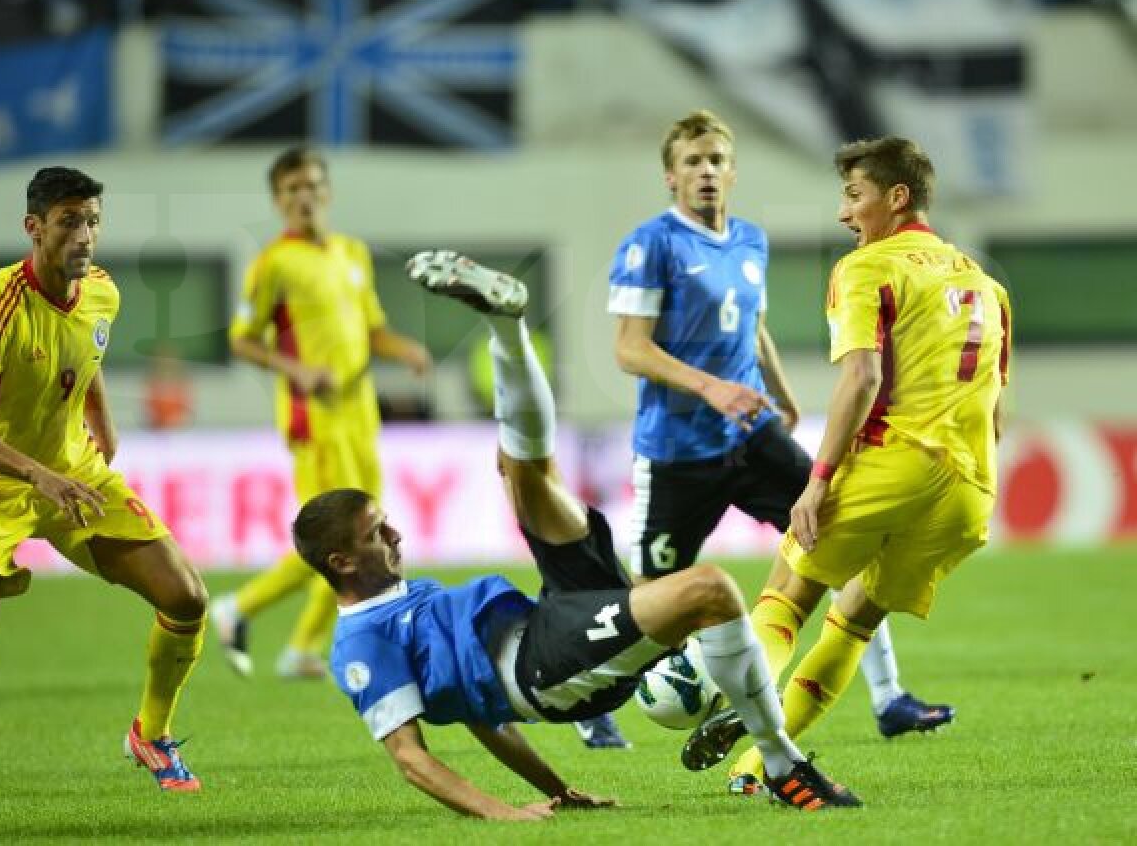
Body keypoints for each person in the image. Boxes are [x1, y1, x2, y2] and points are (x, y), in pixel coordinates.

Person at [291, 249, 862, 817]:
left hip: (546, 616)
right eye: (376, 533)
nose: (395, 533)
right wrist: (501, 811)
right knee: (709, 590)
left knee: (525, 474)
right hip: (544, 671)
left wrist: (556, 791)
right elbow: (410, 757)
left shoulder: (403, 601)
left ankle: (506, 324)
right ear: (341, 562)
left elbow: (481, 721)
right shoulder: (361, 646)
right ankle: (782, 763)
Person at [607, 110, 953, 770]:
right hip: (679, 451)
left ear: (732, 172)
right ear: (670, 176)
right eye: (692, 161)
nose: (706, 171)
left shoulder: (749, 242)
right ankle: (594, 709)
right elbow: (629, 350)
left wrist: (783, 394)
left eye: (716, 160)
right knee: (649, 597)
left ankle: (888, 698)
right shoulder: (650, 245)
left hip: (754, 435)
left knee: (839, 538)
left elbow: (754, 326)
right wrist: (713, 389)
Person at [682, 136, 1011, 793]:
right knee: (855, 623)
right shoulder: (987, 284)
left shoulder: (866, 268)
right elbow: (996, 408)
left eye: (854, 196)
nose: (844, 213)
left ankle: (737, 704)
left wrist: (820, 480)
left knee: (784, 595)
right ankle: (752, 772)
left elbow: (860, 379)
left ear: (897, 197)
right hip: (971, 489)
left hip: (895, 460)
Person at [0, 167, 208, 791]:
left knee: (187, 597)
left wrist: (99, 416)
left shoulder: (104, 291)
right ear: (34, 228)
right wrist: (38, 474)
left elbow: (84, 353)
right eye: (69, 222)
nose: (84, 236)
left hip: (73, 475)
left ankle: (152, 736)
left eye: (92, 222)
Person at [210, 146, 432, 680]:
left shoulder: (352, 253)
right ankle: (240, 608)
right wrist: (297, 370)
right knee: (337, 537)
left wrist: (404, 350)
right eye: (292, 189)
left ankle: (301, 648)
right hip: (315, 416)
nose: (303, 197)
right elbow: (242, 340)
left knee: (370, 532)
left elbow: (371, 328)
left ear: (327, 191)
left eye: (311, 185)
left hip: (360, 410)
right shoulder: (274, 263)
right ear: (278, 199)